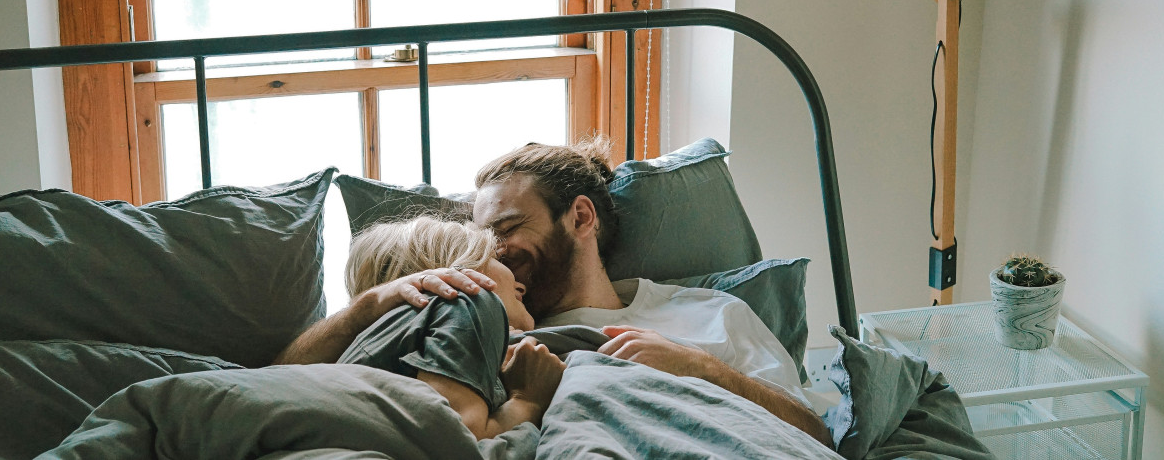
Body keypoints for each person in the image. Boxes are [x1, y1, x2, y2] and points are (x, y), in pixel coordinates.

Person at [471, 137, 833, 448]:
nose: (493, 251)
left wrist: (701, 367)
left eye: (507, 229)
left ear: (581, 217)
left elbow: (816, 437)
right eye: (483, 240)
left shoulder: (713, 313)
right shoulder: (494, 332)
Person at [277, 216, 564, 441]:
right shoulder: (465, 302)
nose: (520, 283)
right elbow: (459, 442)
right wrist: (528, 401)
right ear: (460, 266)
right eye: (496, 260)